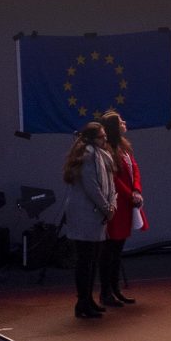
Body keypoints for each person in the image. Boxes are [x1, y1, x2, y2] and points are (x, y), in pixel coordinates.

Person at [59, 124, 118, 322]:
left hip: (96, 215)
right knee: (85, 261)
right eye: (101, 137)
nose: (104, 140)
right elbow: (92, 186)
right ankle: (82, 302)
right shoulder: (88, 155)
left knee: (93, 260)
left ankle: (89, 300)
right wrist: (106, 208)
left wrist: (111, 205)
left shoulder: (102, 155)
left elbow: (110, 184)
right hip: (85, 214)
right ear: (92, 139)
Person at [95, 111, 143, 310]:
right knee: (110, 251)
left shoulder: (124, 147)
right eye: (121, 121)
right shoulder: (108, 150)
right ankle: (106, 291)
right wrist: (130, 195)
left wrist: (137, 190)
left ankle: (115, 289)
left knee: (117, 250)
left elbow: (135, 169)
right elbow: (115, 178)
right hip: (117, 204)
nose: (124, 122)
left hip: (127, 204)